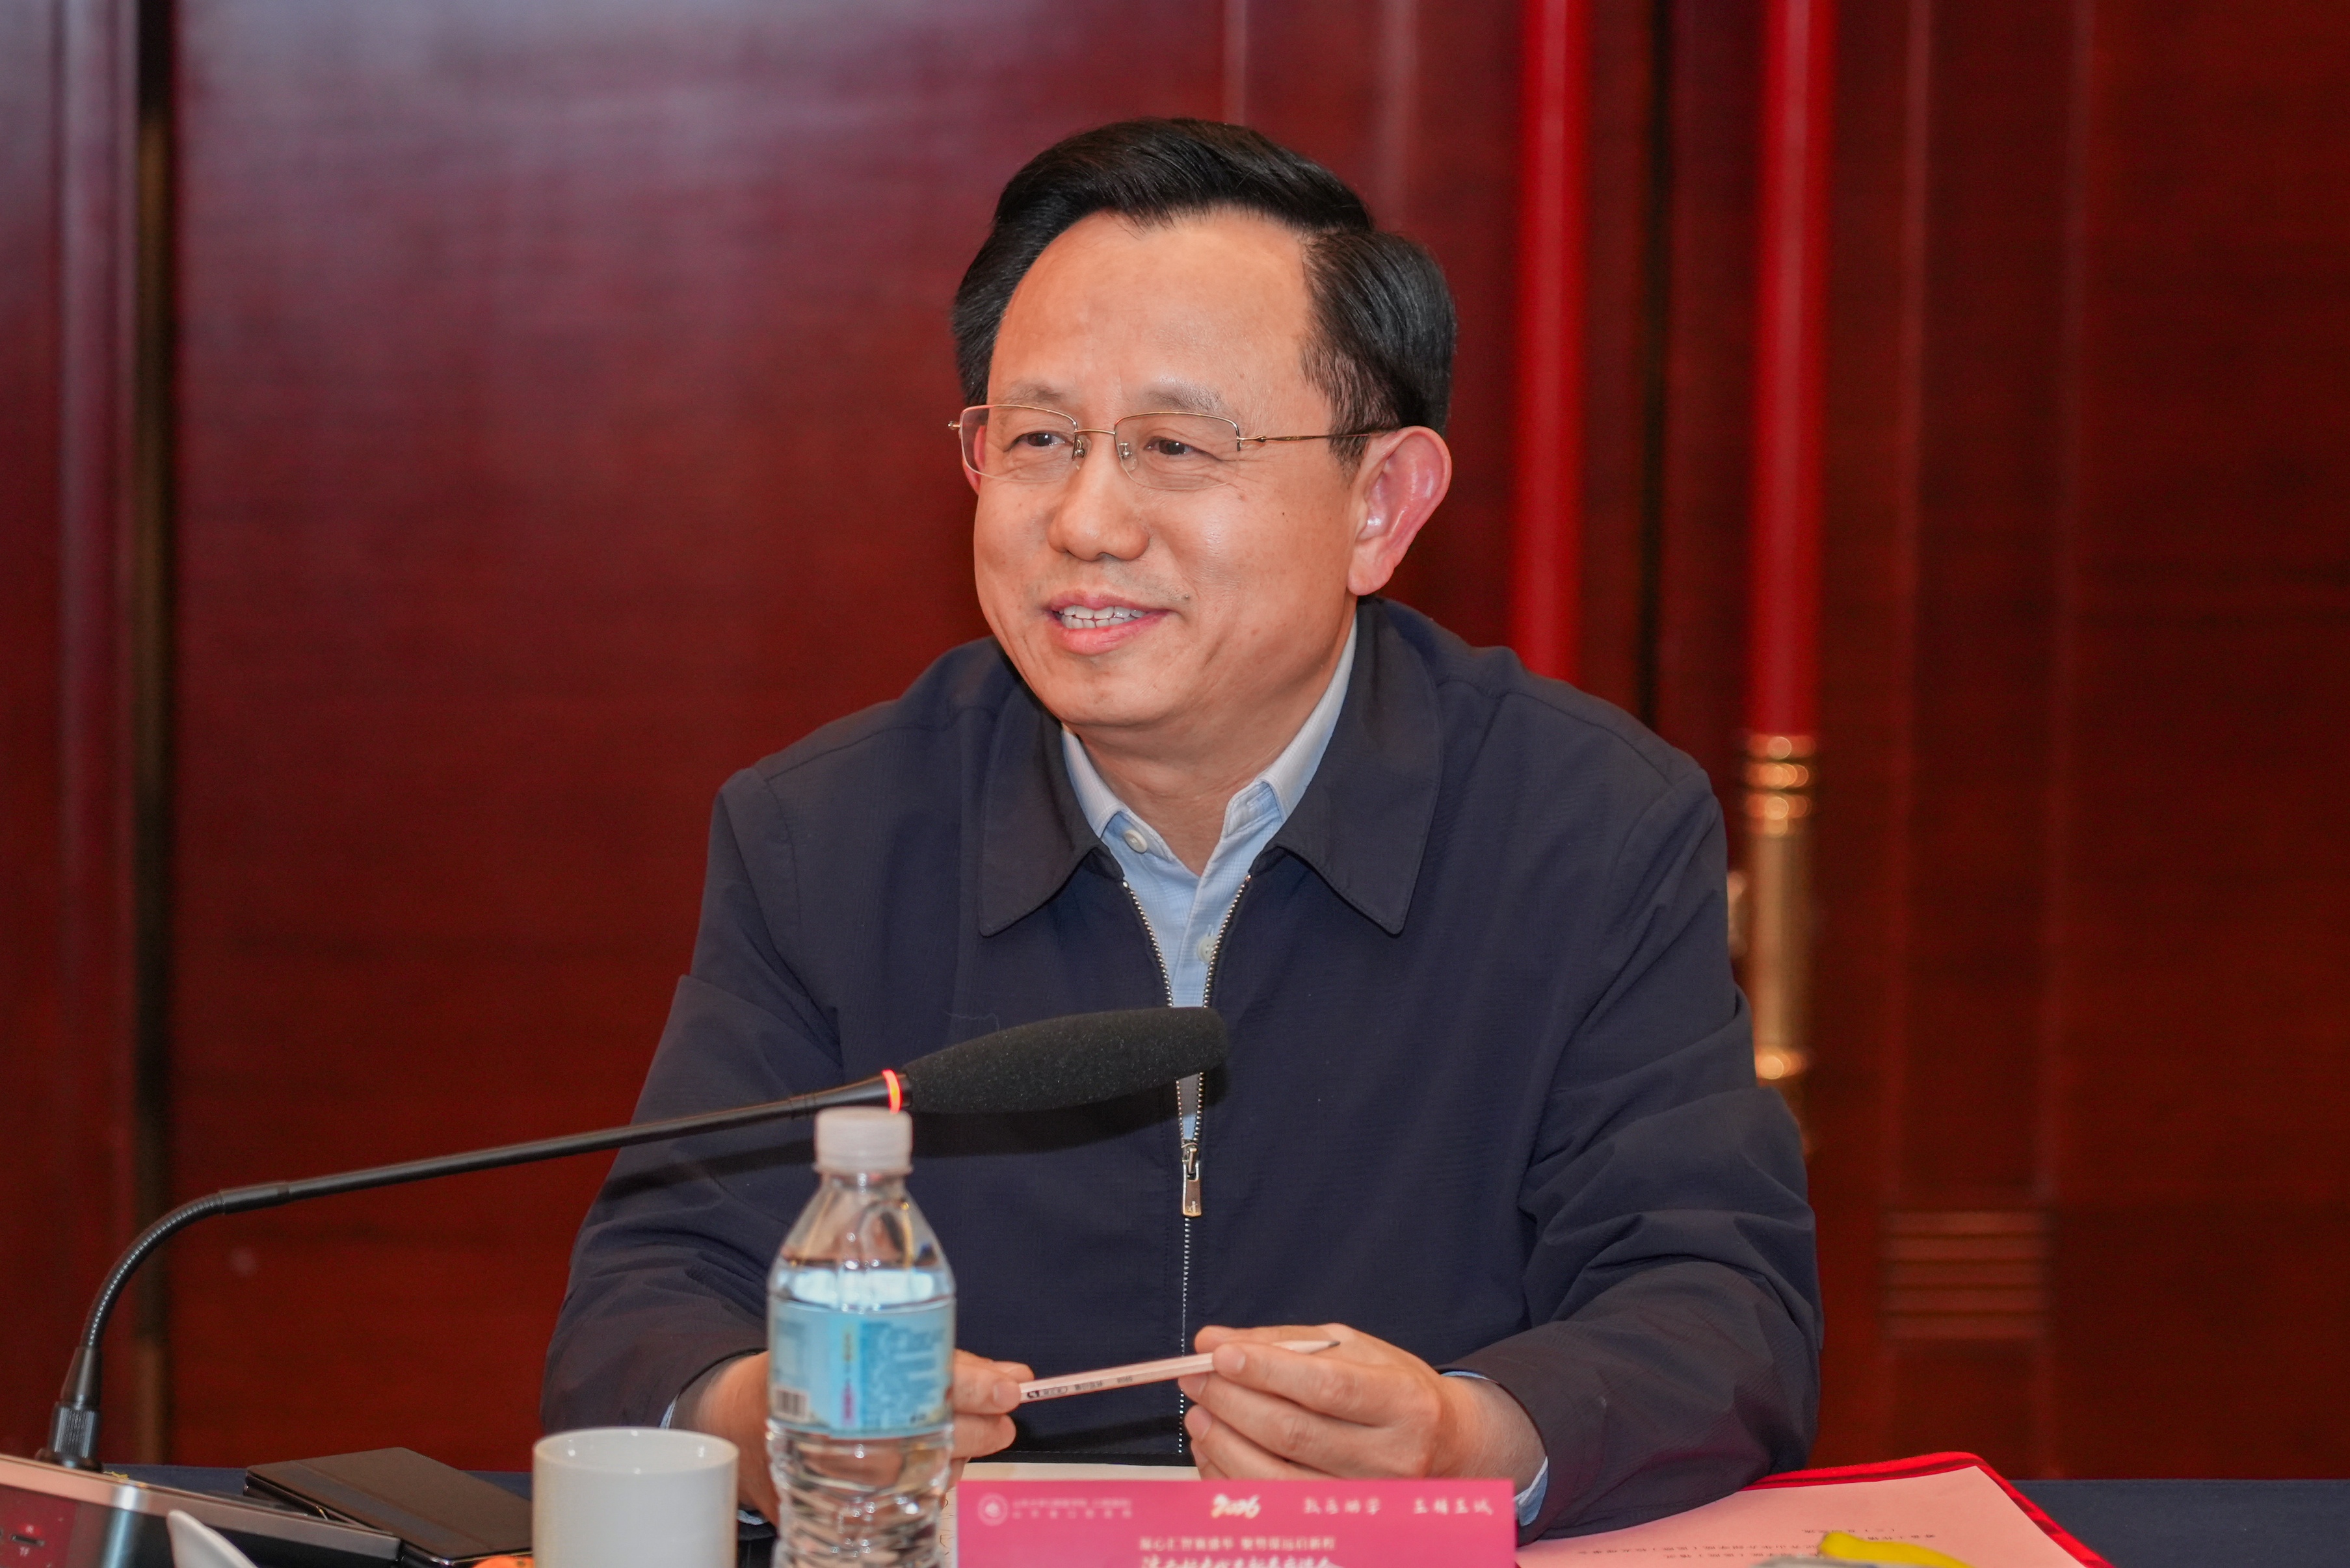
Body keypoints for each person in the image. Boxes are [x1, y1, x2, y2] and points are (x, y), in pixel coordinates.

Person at [542, 118, 1819, 1543]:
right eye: (1038, 440)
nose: (1086, 521)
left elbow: (1718, 1306)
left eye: (1171, 445)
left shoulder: (1584, 824)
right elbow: (645, 1313)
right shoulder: (828, 835)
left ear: (1380, 505)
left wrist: (1466, 1438)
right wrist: (780, 1423)